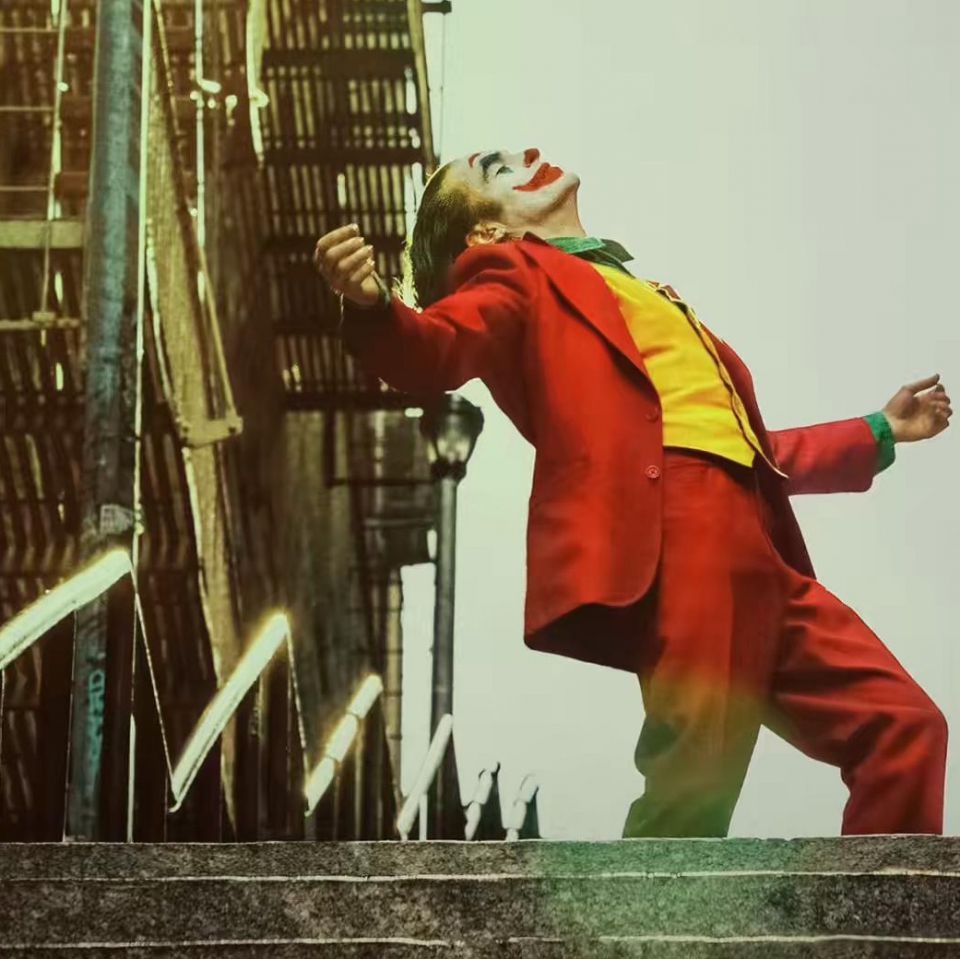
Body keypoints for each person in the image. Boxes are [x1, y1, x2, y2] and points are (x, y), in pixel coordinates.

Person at [314, 147, 953, 837]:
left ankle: (883, 902)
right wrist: (373, 306)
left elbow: (750, 450)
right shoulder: (512, 274)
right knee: (696, 770)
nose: (527, 154)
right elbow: (436, 346)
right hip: (680, 531)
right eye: (495, 169)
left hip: (761, 551)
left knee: (904, 726)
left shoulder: (645, 293)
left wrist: (879, 431)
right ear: (488, 233)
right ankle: (642, 905)